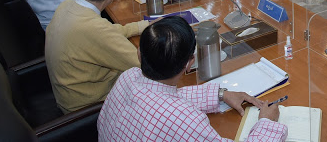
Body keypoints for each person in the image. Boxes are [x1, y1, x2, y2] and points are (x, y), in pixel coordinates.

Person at [98, 16, 287, 141]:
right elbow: (171, 109)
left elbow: (164, 97)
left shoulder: (128, 77)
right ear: (189, 63)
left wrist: (220, 94)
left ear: (139, 53)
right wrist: (267, 123)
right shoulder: (184, 120)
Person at [46, 0, 150, 113]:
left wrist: (143, 26)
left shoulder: (66, 6)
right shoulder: (95, 30)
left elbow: (104, 32)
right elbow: (146, 66)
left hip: (71, 95)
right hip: (89, 109)